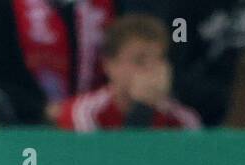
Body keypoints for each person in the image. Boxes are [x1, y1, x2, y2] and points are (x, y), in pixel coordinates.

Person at [57, 13, 200, 130]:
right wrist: (142, 109)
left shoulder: (182, 119)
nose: (151, 69)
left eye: (159, 59)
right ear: (109, 65)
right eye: (139, 60)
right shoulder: (84, 113)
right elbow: (110, 162)